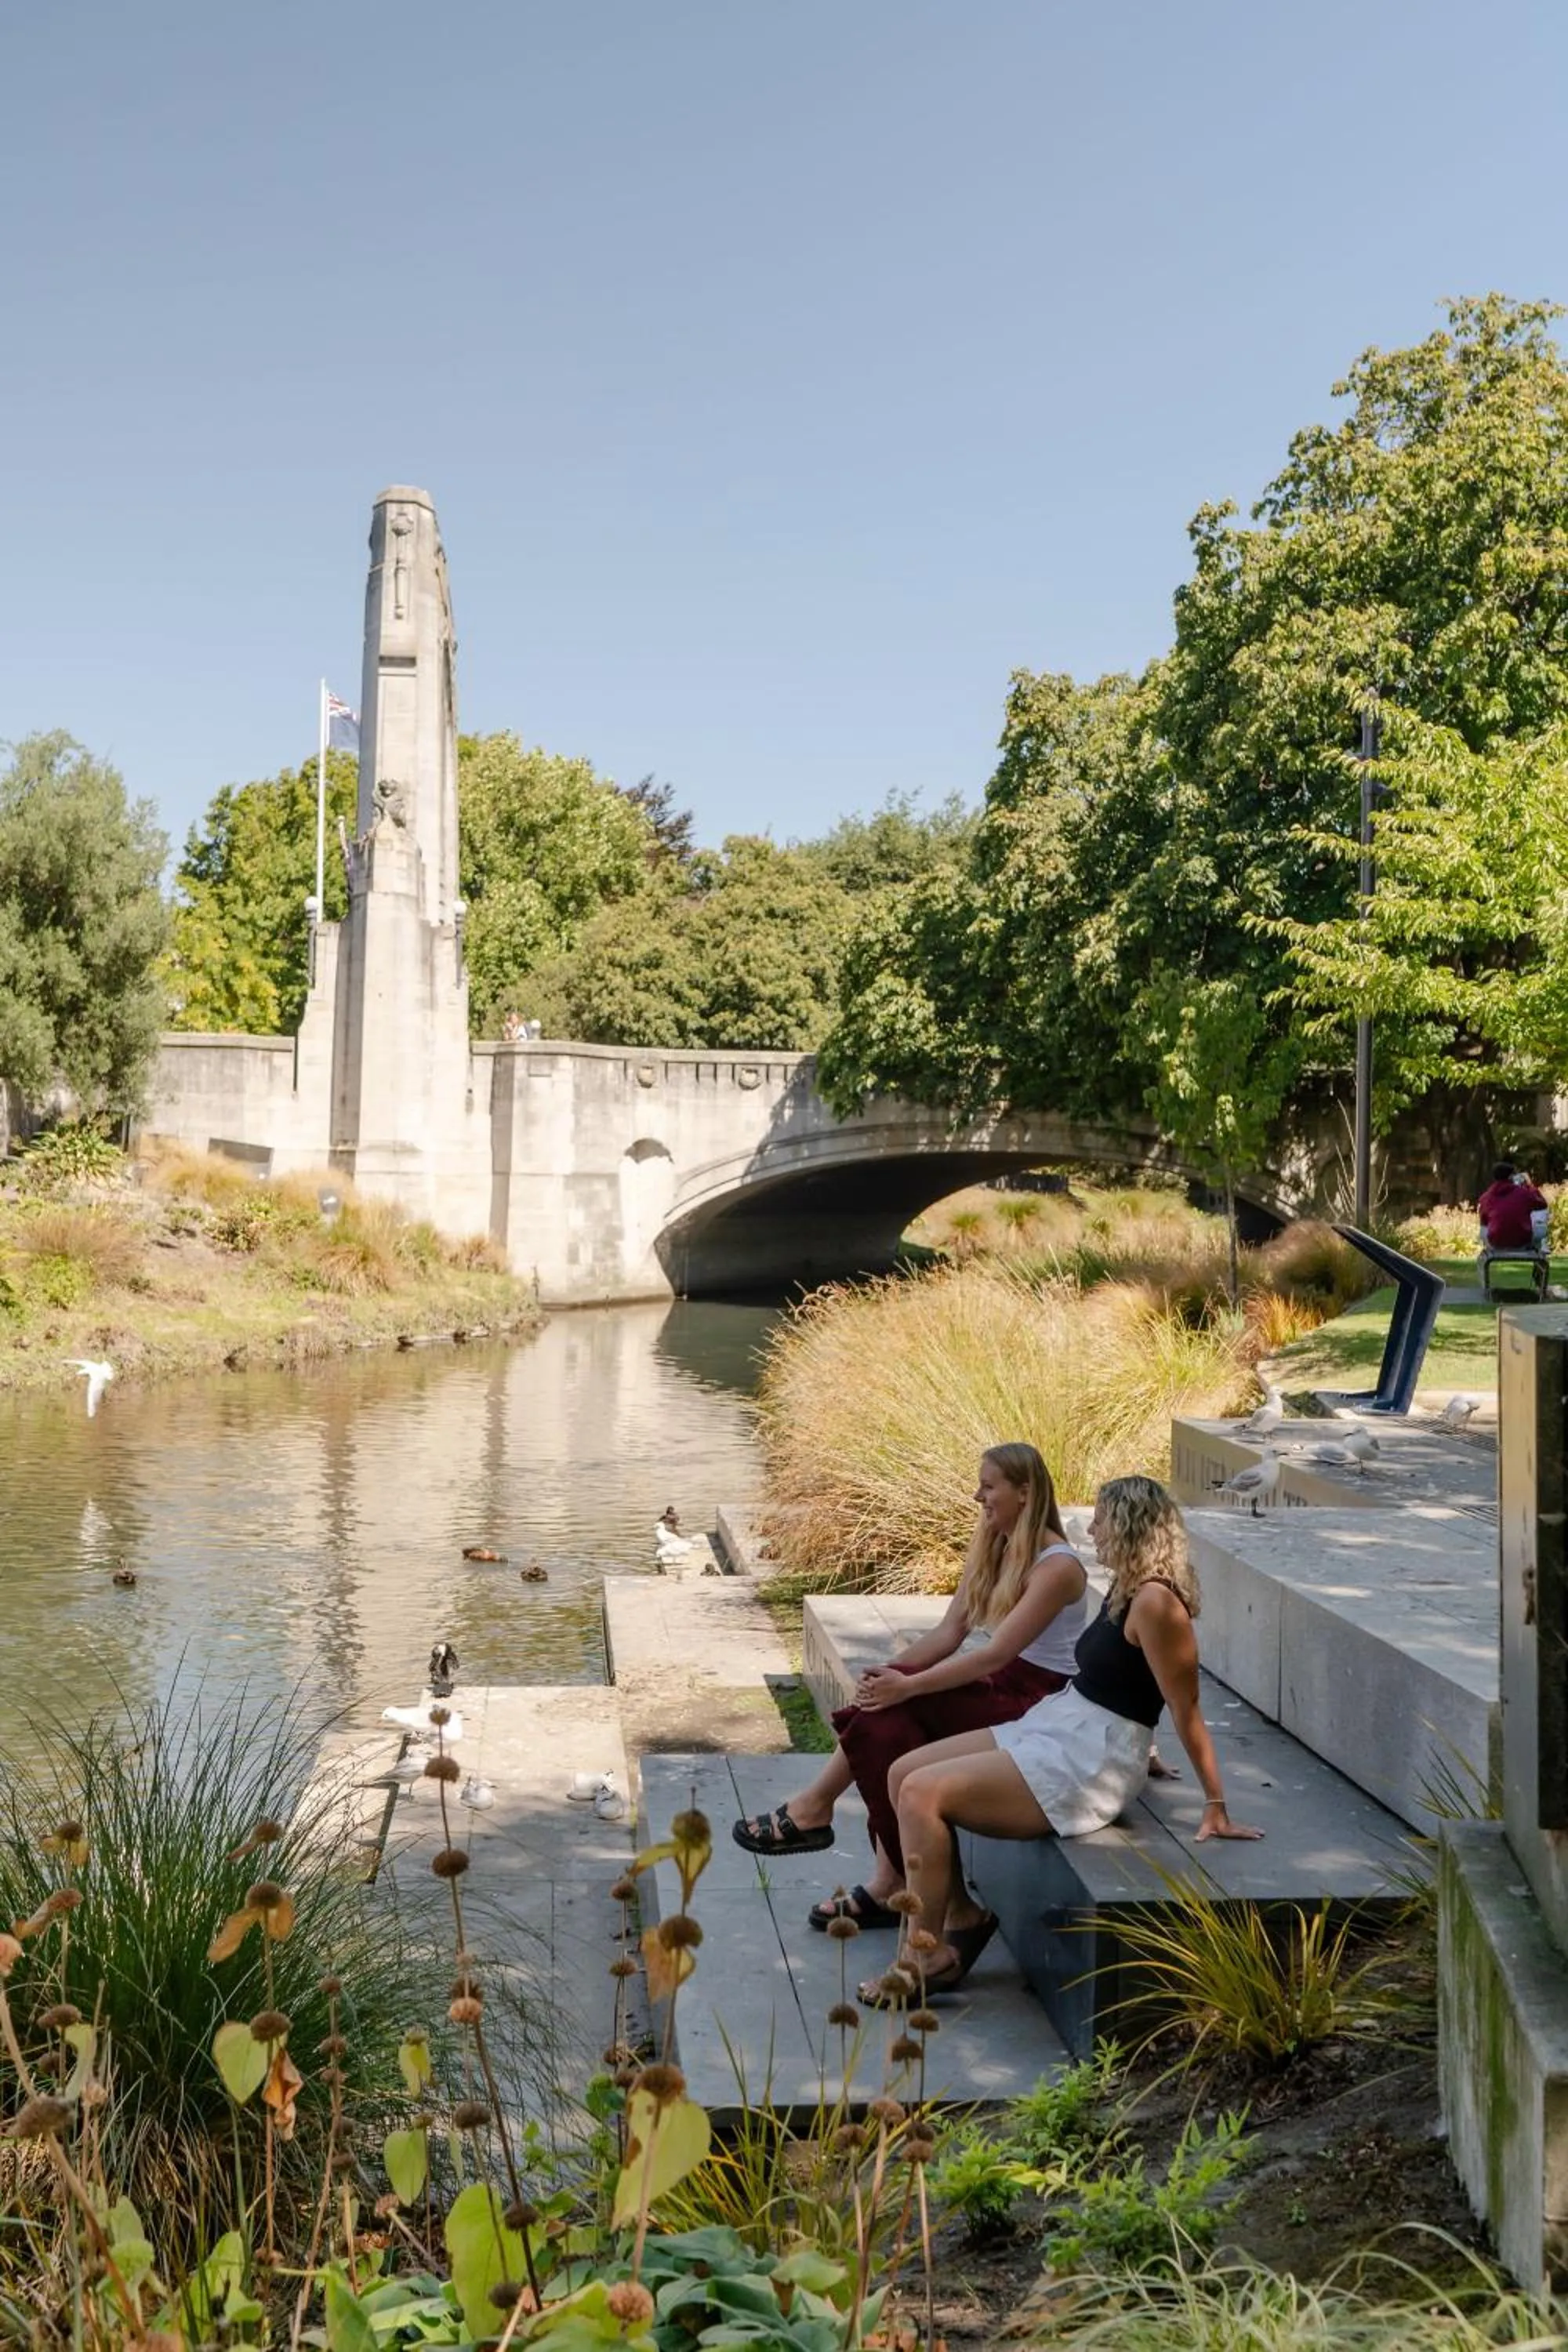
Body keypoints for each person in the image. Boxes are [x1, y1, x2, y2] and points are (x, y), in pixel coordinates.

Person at [858, 1474, 1262, 2002]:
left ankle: (922, 1956)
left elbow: (1185, 1706)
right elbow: (1133, 1681)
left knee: (921, 1792)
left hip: (1093, 1759)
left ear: (1128, 1525)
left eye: (1100, 1519)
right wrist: (1153, 1744)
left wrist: (1215, 1803)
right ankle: (963, 1914)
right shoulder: (1126, 1587)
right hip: (1065, 1724)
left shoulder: (1158, 1605)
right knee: (901, 1772)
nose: (1090, 1528)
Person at [731, 1443, 1088, 1929]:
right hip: (1001, 1682)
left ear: (1025, 1492)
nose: (977, 1496)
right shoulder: (994, 1542)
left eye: (988, 1486)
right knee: (882, 1719)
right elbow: (949, 1633)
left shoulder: (1059, 1567)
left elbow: (996, 1653)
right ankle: (874, 1865)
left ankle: (836, 1829)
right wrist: (889, 1674)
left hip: (1039, 1698)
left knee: (891, 1714)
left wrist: (909, 1688)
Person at [1476, 1161, 1548, 1263]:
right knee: (1541, 1226)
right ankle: (1539, 1271)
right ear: (1511, 1177)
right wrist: (1530, 1185)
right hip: (1522, 1242)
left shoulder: (1486, 1197)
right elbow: (1542, 1204)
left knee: (1483, 1227)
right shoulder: (1523, 1193)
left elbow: (1484, 1222)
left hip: (1495, 1244)